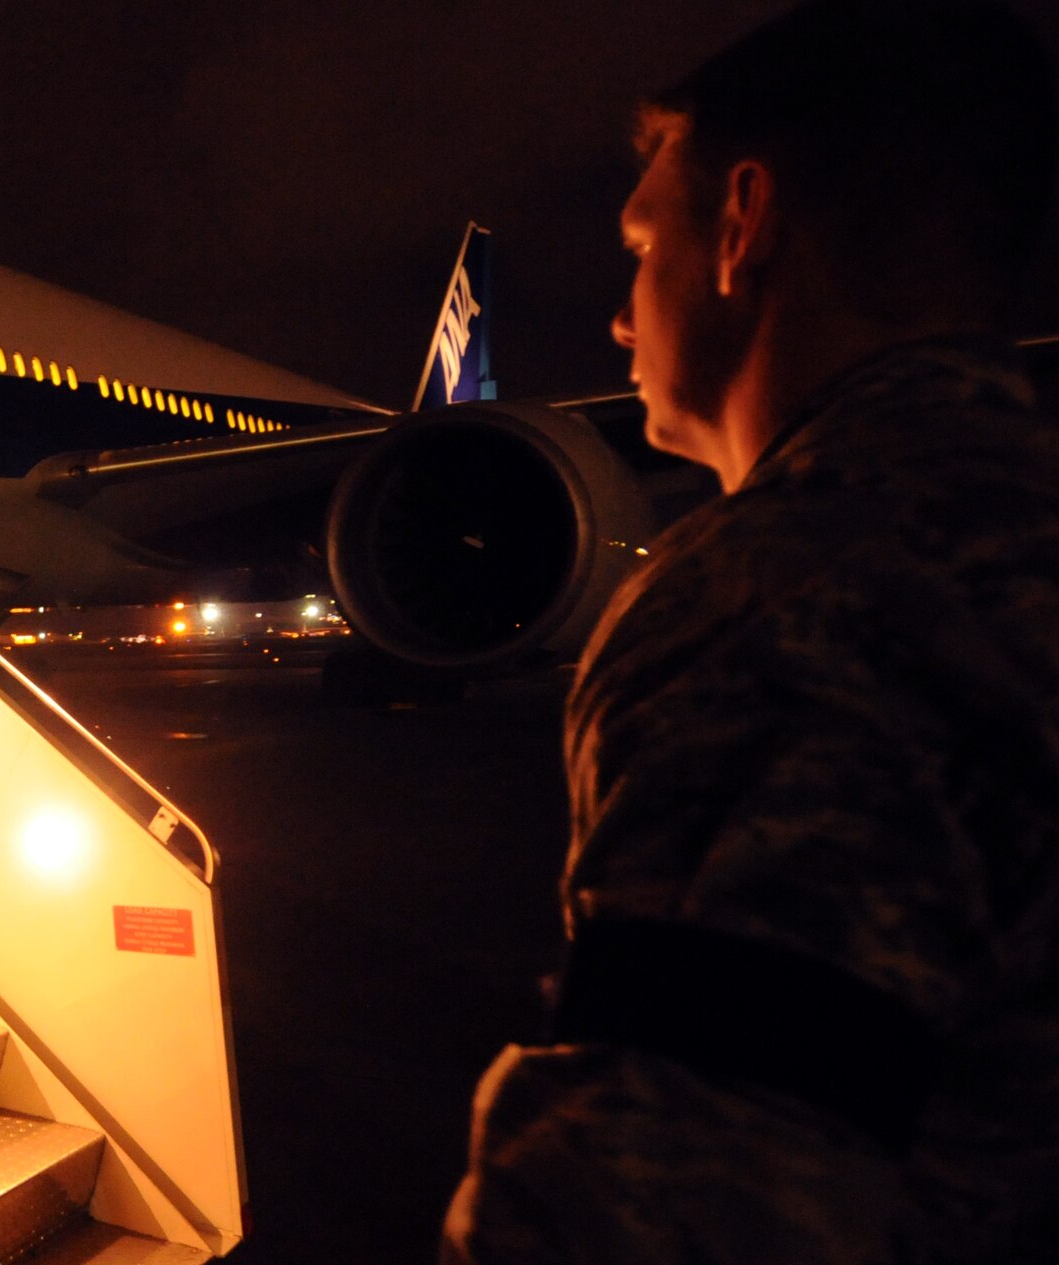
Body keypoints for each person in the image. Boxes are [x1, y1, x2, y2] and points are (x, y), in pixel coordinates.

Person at [443, 3, 1059, 1262]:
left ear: (740, 227)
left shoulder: (784, 593)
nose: (619, 320)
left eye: (636, 247)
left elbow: (662, 1202)